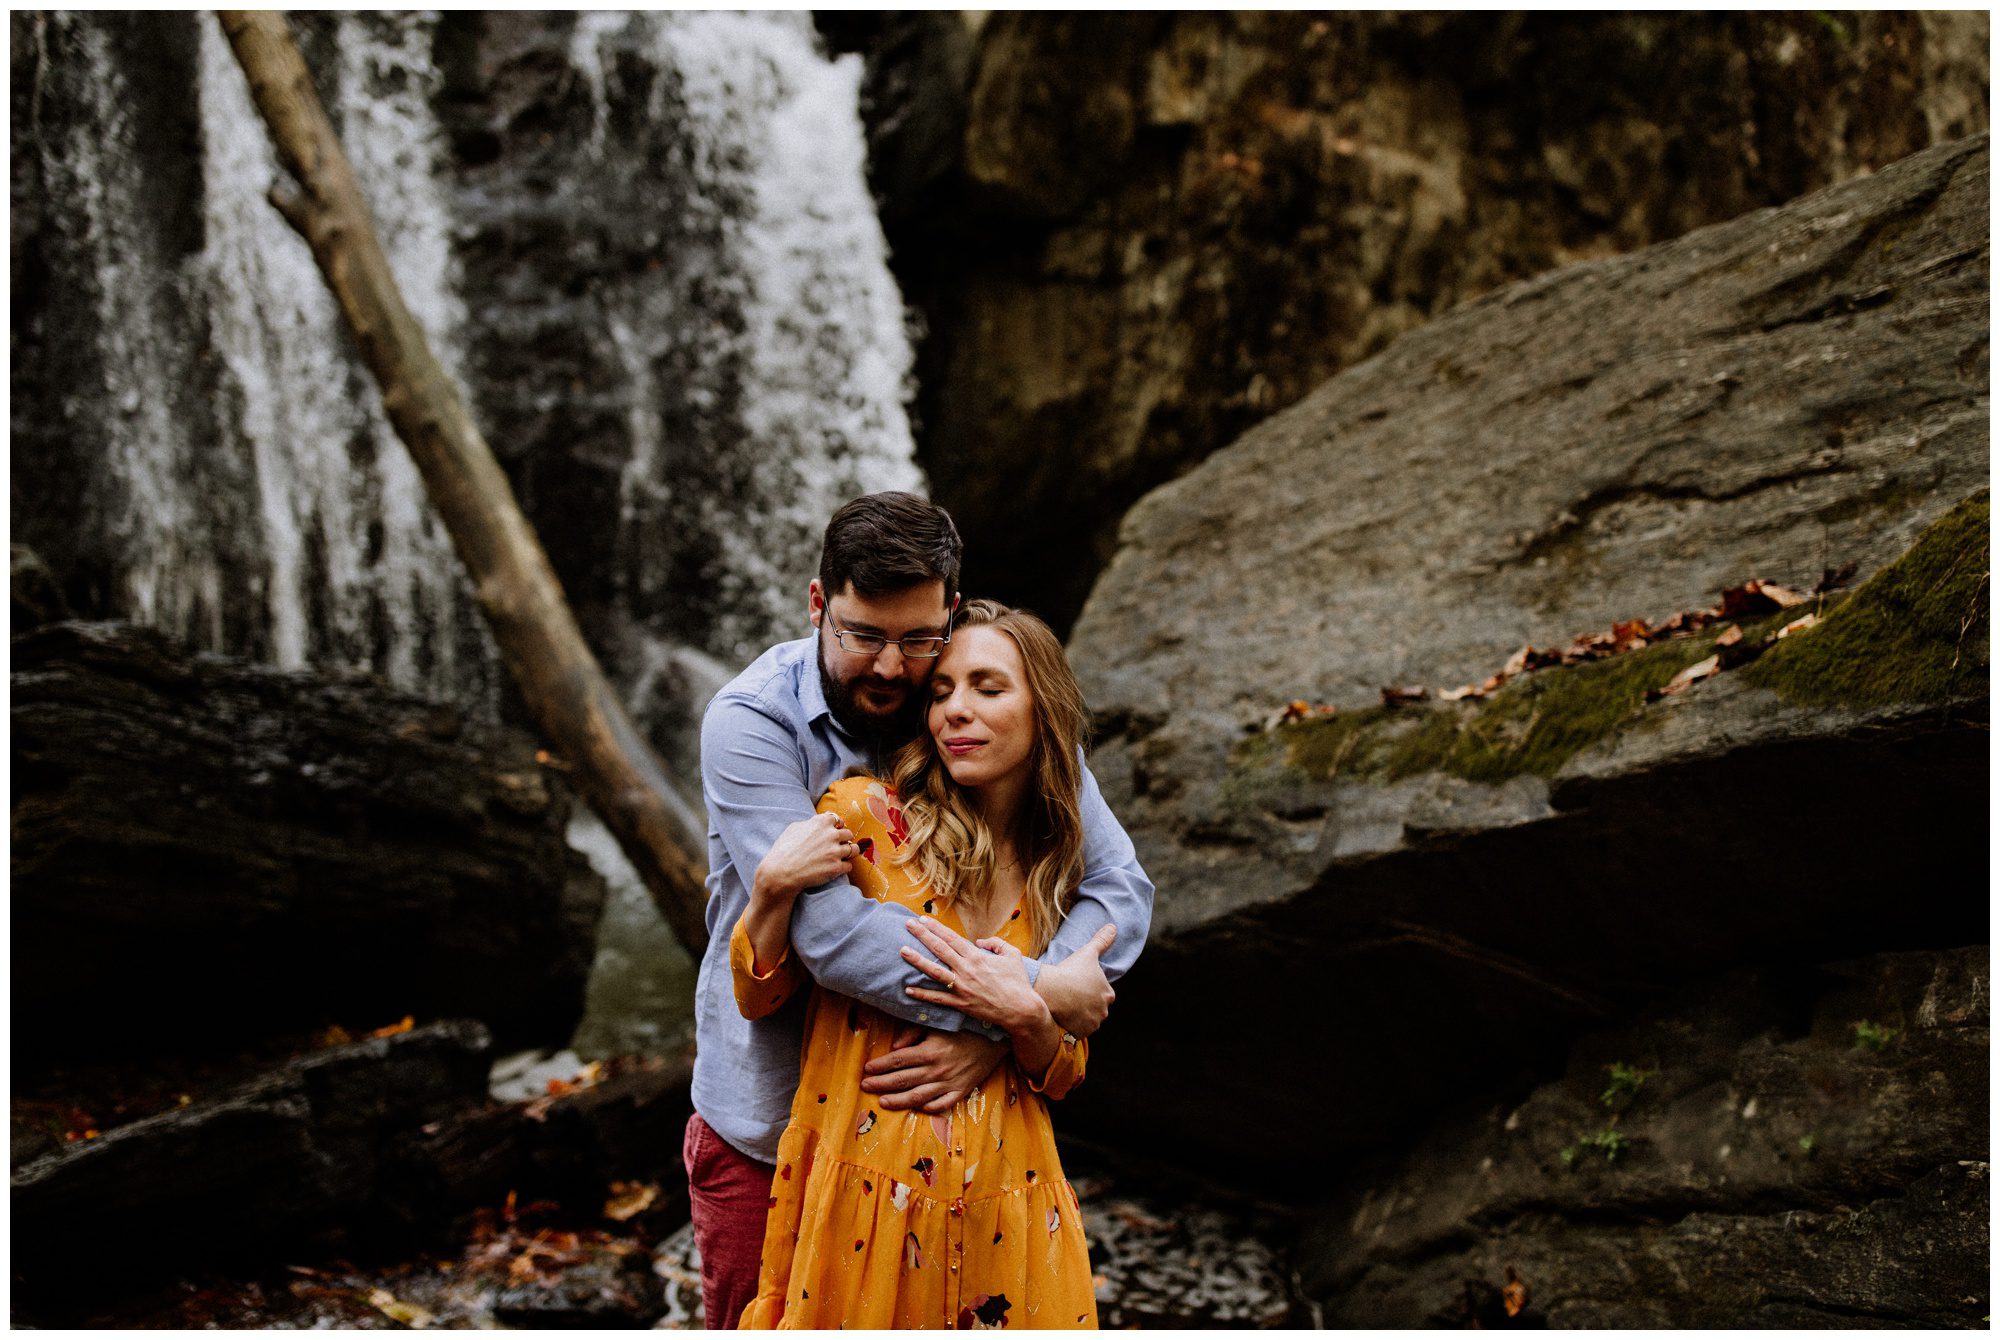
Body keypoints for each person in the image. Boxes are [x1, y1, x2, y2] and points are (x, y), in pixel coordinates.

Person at [687, 493, 1153, 1329]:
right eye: (864, 636)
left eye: (918, 641)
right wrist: (1011, 1013)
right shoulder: (754, 722)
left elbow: (1118, 888)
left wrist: (1024, 1004)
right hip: (780, 1137)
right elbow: (831, 937)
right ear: (818, 603)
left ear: (951, 607)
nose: (895, 671)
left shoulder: (983, 701)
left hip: (955, 1155)